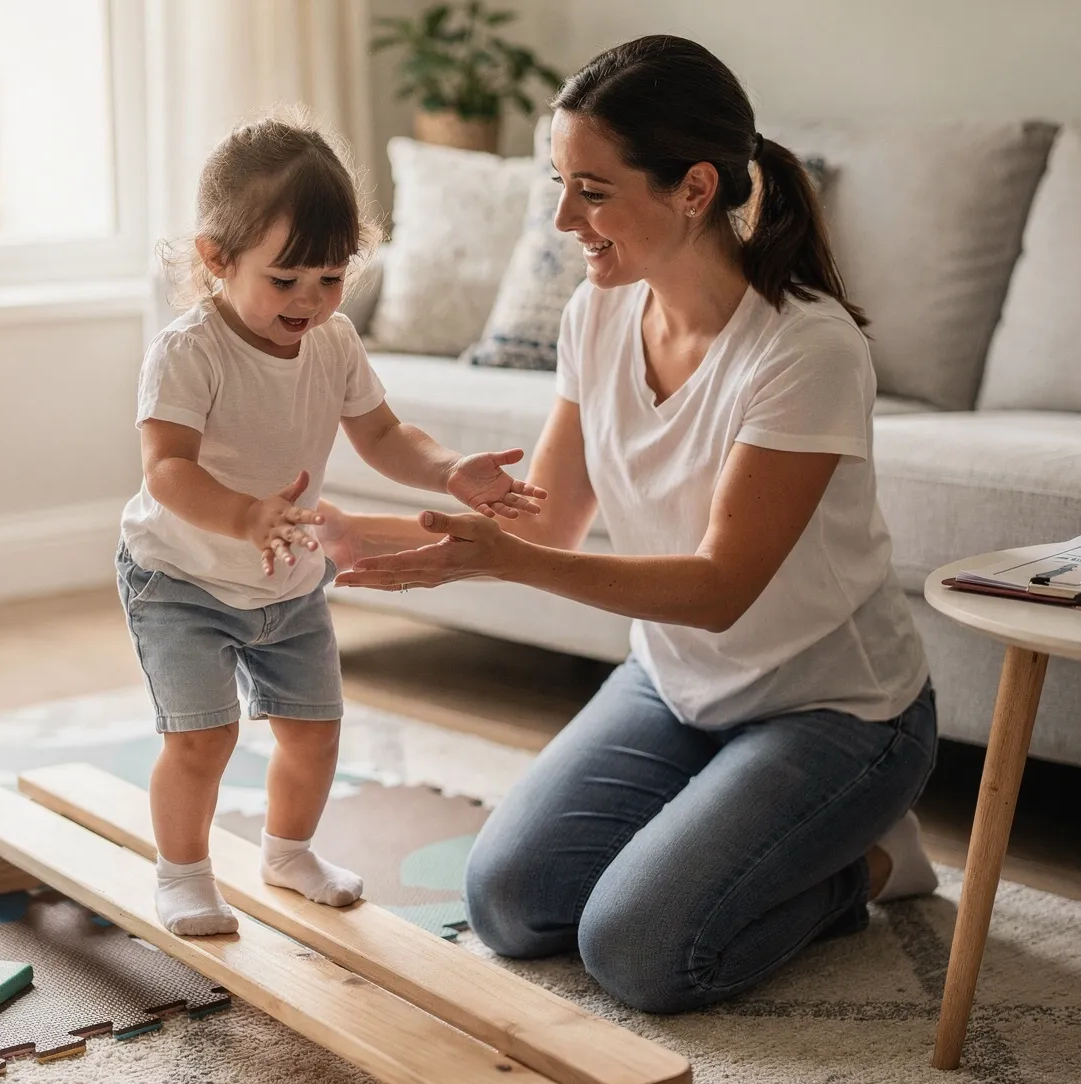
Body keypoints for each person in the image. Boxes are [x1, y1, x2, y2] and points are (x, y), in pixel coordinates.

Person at [322, 36, 938, 1013]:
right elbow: (551, 520)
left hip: (834, 712)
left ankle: (865, 864)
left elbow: (717, 588)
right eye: (558, 184)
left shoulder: (803, 349)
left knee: (642, 951)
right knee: (509, 904)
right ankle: (741, 839)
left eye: (592, 190)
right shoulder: (596, 316)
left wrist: (509, 561)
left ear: (693, 188)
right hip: (674, 687)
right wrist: (336, 530)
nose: (564, 219)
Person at [121, 114, 545, 936]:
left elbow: (384, 436)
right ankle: (181, 873)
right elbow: (165, 468)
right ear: (216, 258)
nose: (309, 301)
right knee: (203, 741)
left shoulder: (334, 341)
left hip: (289, 577)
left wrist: (451, 470)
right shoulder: (189, 351)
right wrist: (246, 514)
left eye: (331, 277)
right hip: (179, 579)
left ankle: (288, 853)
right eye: (284, 280)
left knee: (313, 734)